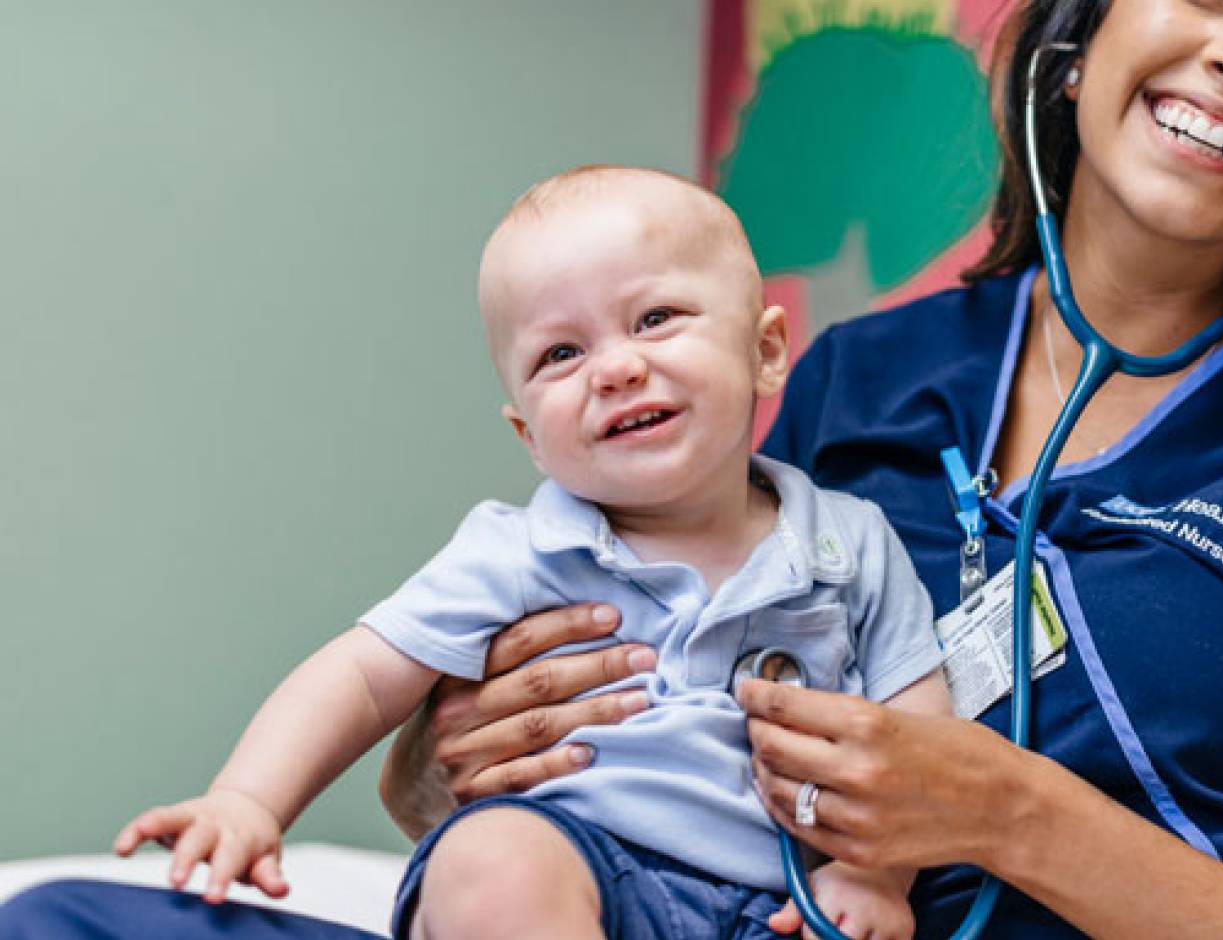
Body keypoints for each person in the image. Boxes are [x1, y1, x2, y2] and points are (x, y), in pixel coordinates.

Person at [0, 0, 1223, 938]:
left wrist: (1016, 820)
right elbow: (640, 675)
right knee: (62, 921)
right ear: (1086, 32)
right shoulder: (855, 374)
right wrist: (454, 755)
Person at [109, 166, 952, 940]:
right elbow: (361, 676)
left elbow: (919, 729)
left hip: (783, 905)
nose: (616, 369)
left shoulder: (851, 542)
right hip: (575, 860)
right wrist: (248, 800)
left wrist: (874, 872)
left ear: (765, 351)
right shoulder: (519, 552)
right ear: (530, 438)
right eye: (560, 355)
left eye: (655, 318)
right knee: (492, 862)